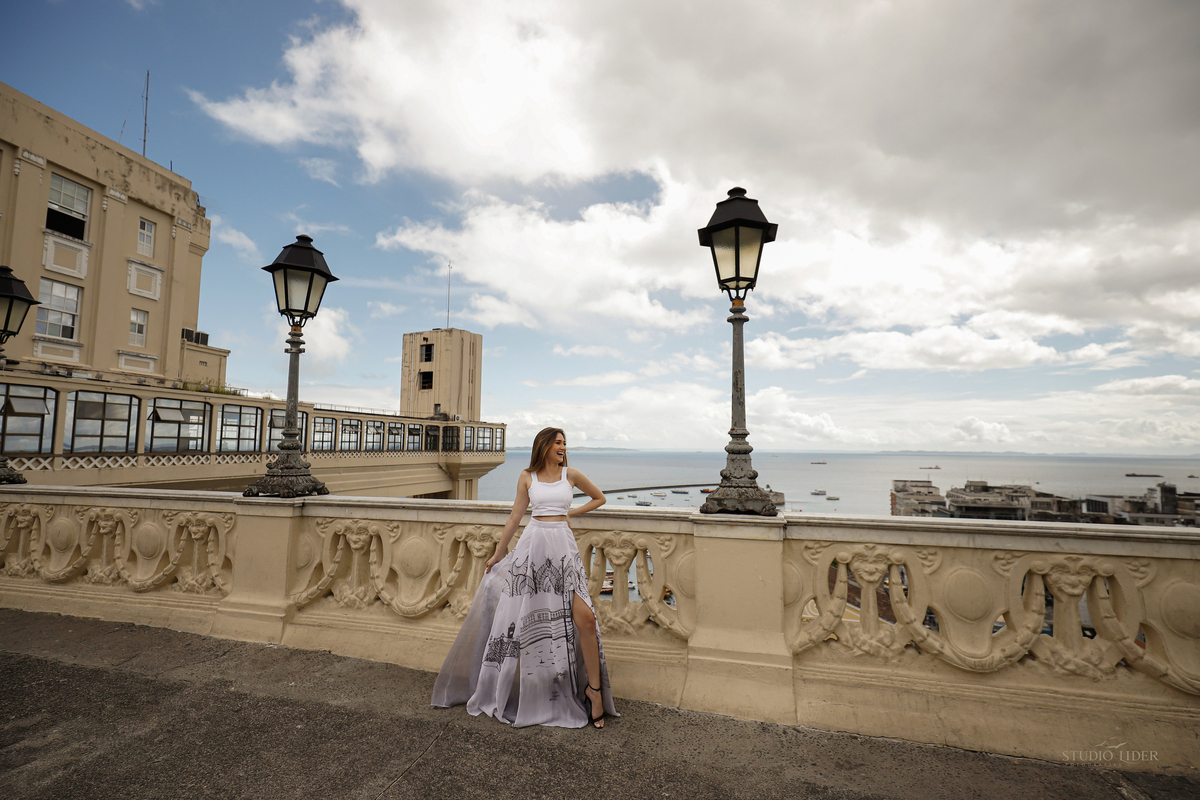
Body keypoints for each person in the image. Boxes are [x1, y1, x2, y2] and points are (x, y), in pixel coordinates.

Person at [431, 426, 617, 728]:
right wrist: (498, 553)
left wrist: (569, 513)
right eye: (558, 442)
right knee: (525, 622)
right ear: (544, 446)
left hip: (564, 550)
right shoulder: (527, 477)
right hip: (533, 549)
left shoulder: (571, 475)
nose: (563, 447)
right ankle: (533, 691)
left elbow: (599, 498)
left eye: (564, 443)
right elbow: (515, 517)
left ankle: (594, 692)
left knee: (585, 619)